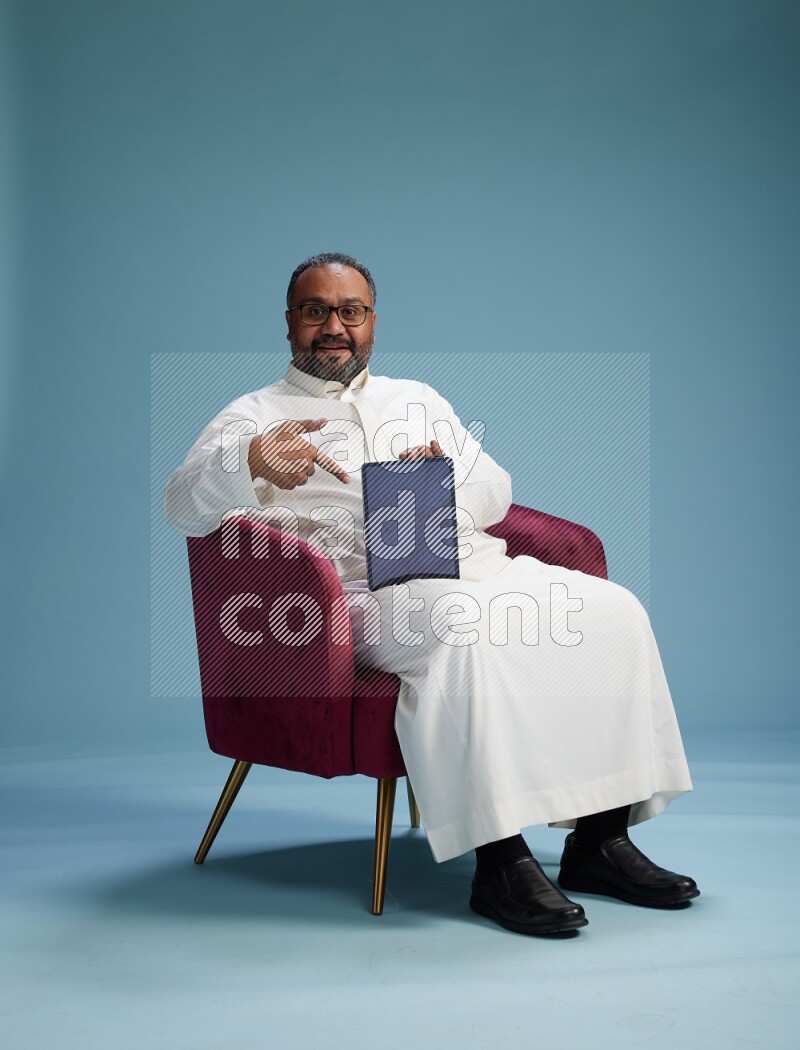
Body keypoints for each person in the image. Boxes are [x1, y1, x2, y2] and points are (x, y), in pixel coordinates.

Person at [164, 252, 699, 936]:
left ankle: (599, 841)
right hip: (353, 597)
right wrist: (249, 464)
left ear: (372, 323)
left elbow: (496, 487)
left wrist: (444, 482)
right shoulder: (251, 416)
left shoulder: (418, 399)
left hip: (471, 567)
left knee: (613, 611)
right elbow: (182, 507)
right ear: (291, 323)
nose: (334, 325)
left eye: (350, 311)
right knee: (462, 628)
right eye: (316, 310)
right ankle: (499, 862)